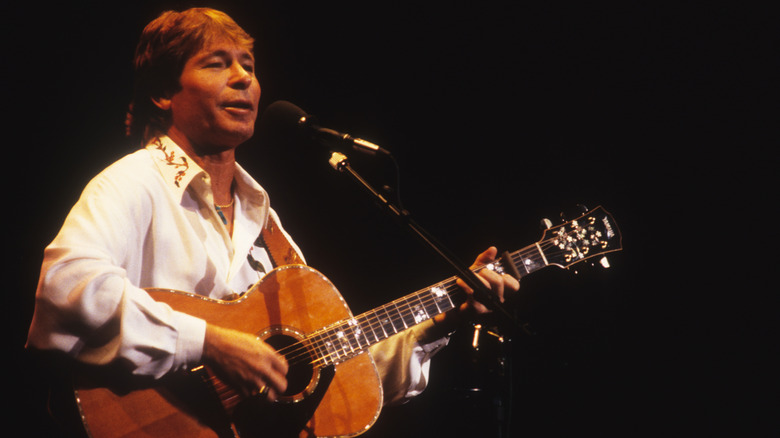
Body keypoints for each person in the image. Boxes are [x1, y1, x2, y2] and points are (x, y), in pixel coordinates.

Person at [26, 7, 519, 434]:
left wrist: (440, 320)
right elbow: (68, 289)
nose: (243, 78)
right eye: (217, 64)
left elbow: (341, 377)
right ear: (162, 93)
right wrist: (207, 343)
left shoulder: (266, 221)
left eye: (249, 66)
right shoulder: (132, 183)